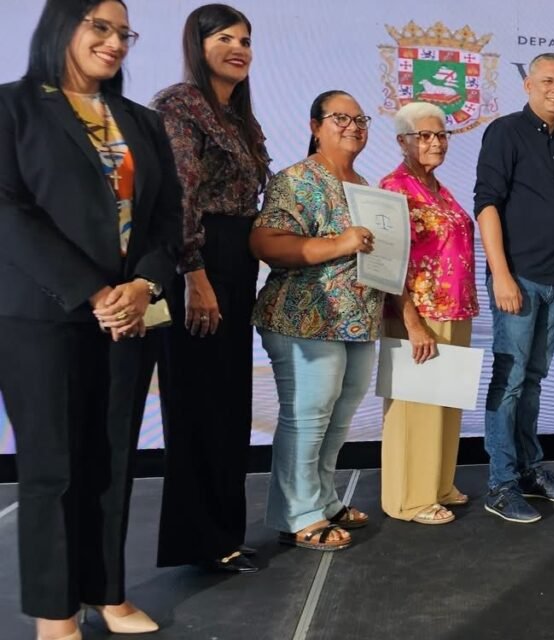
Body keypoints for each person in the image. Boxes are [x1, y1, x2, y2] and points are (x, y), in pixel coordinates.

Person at [0, 0, 180, 636]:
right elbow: (8, 212)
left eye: (123, 32)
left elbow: (166, 218)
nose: (114, 42)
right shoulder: (13, 107)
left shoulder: (141, 121)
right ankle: (55, 613)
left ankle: (108, 592)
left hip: (130, 312)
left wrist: (142, 285)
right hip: (41, 316)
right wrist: (93, 291)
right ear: (62, 26)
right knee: (52, 466)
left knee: (113, 457)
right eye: (100, 27)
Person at [151, 2, 270, 575]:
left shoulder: (239, 117)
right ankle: (199, 539)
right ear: (198, 45)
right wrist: (194, 275)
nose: (238, 48)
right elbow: (177, 197)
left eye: (245, 40)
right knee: (197, 402)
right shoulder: (180, 105)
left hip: (237, 262)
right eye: (225, 38)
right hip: (197, 264)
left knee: (228, 402)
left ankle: (225, 533)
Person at [249, 90, 380, 550]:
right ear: (314, 127)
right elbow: (265, 243)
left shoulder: (363, 185)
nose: (353, 127)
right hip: (303, 317)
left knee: (339, 417)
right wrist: (339, 244)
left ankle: (324, 499)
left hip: (357, 320)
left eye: (360, 120)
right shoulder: (296, 180)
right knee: (308, 416)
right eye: (340, 118)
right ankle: (299, 513)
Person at [474, 53, 554, 523]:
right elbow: (487, 204)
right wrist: (500, 274)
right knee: (510, 380)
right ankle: (500, 484)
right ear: (528, 84)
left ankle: (528, 470)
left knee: (533, 380)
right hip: (516, 277)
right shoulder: (505, 132)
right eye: (548, 81)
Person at [378, 101, 478, 525]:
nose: (436, 142)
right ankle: (409, 498)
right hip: (417, 311)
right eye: (425, 135)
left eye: (441, 135)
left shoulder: (439, 187)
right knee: (414, 406)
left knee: (445, 401)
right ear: (403, 141)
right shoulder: (394, 187)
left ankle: (438, 484)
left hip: (454, 308)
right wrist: (411, 322)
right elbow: (387, 261)